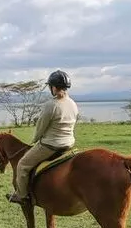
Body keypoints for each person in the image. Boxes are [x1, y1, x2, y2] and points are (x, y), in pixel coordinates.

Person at [7, 69, 79, 204]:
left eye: (50, 86)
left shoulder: (51, 105)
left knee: (22, 165)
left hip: (50, 145)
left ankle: (22, 196)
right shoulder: (73, 104)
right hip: (69, 144)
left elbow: (41, 127)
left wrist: (34, 140)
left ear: (54, 87)